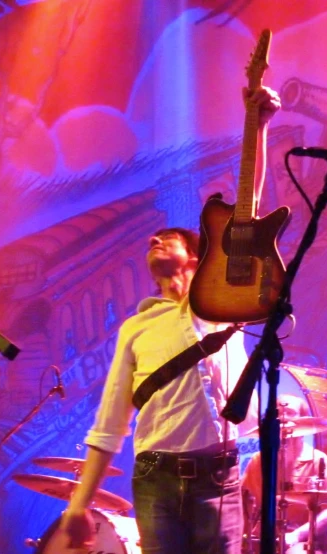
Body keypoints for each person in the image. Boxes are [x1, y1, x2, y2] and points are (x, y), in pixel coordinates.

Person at [60, 85, 281, 554]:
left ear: (196, 257)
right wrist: (79, 505)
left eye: (167, 240)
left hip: (217, 480)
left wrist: (258, 125)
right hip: (154, 478)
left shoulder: (219, 303)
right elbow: (109, 423)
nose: (153, 244)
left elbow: (249, 211)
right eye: (150, 243)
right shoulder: (136, 328)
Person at [241, 394, 327, 553]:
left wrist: (296, 536)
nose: (282, 417)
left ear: (305, 421)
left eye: (290, 412)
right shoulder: (258, 460)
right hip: (263, 539)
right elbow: (243, 502)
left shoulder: (319, 460)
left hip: (303, 541)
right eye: (277, 413)